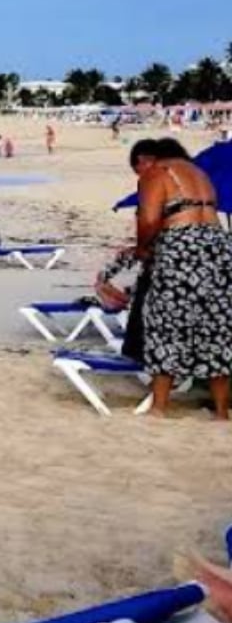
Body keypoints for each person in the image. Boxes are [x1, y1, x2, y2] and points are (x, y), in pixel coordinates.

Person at [130, 138, 232, 418]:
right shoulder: (201, 175)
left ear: (150, 159)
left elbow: (149, 220)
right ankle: (222, 412)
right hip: (217, 246)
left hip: (181, 248)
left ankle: (160, 408)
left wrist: (141, 248)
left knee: (166, 323)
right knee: (215, 327)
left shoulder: (157, 172)